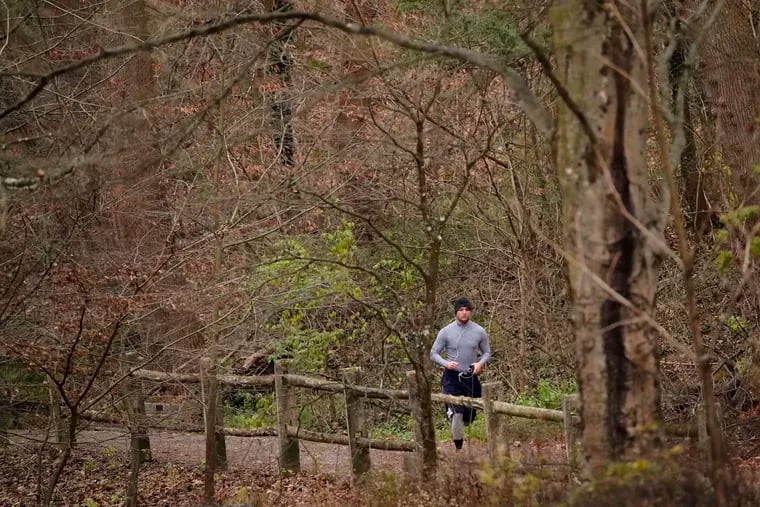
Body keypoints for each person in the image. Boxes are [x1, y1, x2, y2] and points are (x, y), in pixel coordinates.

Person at [430, 296, 491, 451]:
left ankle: (457, 417)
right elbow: (434, 353)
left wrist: (479, 363)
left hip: (470, 376)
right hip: (451, 377)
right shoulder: (446, 332)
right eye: (461, 310)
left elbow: (487, 353)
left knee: (469, 416)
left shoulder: (479, 331)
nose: (464, 313)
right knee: (458, 411)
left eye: (467, 310)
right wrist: (446, 363)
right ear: (456, 312)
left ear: (470, 311)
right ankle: (459, 449)